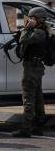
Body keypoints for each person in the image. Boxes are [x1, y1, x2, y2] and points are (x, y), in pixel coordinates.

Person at [11, 7, 53, 137]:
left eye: (31, 18)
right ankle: (38, 126)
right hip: (35, 67)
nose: (29, 20)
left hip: (32, 68)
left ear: (38, 19)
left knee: (28, 98)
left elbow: (24, 40)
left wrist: (27, 29)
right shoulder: (41, 31)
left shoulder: (40, 33)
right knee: (38, 98)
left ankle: (25, 129)